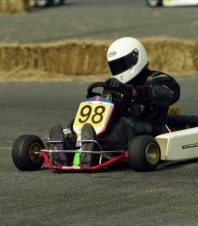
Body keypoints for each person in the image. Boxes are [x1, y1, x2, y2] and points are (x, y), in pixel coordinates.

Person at [49, 37, 180, 166]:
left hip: (150, 125)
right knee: (78, 124)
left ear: (135, 59)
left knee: (123, 125)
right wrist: (102, 99)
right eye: (115, 66)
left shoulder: (158, 79)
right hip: (124, 126)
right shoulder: (117, 85)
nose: (118, 70)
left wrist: (133, 92)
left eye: (122, 65)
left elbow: (168, 94)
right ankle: (67, 149)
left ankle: (92, 150)